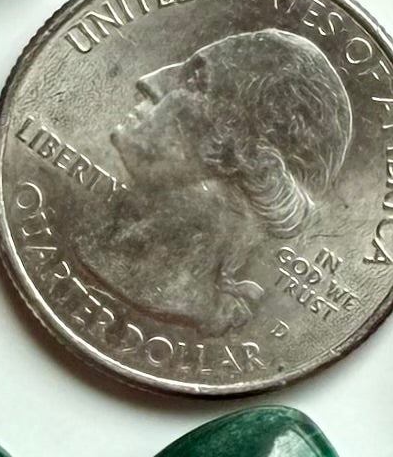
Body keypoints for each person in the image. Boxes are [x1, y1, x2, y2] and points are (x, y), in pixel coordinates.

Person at [76, 25, 355, 327]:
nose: (148, 81)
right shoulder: (98, 240)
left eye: (197, 80)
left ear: (246, 153)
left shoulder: (164, 294)